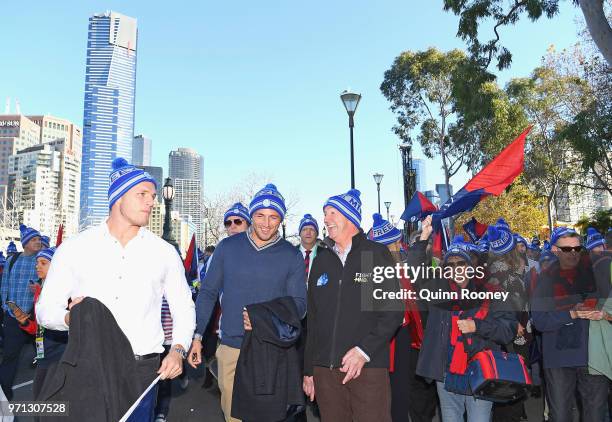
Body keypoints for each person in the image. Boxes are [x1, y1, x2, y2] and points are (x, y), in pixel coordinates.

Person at [37, 158, 196, 418]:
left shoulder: (164, 252)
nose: (151, 202)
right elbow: (45, 310)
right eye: (142, 194)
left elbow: (183, 306)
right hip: (89, 366)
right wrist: (73, 318)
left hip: (142, 369)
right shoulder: (74, 248)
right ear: (118, 198)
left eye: (154, 196)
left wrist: (178, 350)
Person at [190, 183, 307, 422]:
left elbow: (300, 306)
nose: (266, 222)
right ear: (252, 215)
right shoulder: (227, 248)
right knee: (234, 417)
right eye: (260, 215)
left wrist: (262, 318)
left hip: (272, 352)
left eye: (273, 217)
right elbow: (208, 293)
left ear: (281, 219)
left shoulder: (290, 254)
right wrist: (197, 336)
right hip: (232, 347)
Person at [303, 190, 403, 422]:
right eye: (325, 214)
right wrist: (309, 370)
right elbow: (313, 322)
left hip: (366, 368)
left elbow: (392, 313)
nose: (326, 219)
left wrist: (363, 351)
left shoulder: (373, 254)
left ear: (350, 218)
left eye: (332, 213)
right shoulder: (321, 261)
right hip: (325, 372)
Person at [414, 216, 516, 422]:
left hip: (480, 370)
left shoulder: (491, 291)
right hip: (446, 373)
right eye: (450, 264)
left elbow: (507, 330)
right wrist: (424, 236)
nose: (456, 268)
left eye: (461, 263)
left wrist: (476, 326)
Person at [531, 227, 609, 422]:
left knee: (595, 415)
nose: (573, 253)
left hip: (593, 357)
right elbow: (540, 321)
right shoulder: (544, 280)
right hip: (559, 359)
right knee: (561, 416)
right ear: (555, 251)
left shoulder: (597, 274)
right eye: (567, 249)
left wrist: (603, 314)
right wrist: (571, 313)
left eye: (577, 248)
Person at [370, 213, 437, 422]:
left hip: (404, 339)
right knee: (381, 397)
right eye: (389, 245)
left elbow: (416, 263)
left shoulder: (404, 269)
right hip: (377, 342)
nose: (394, 248)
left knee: (401, 394)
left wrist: (424, 235)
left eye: (394, 244)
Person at [0, 224, 42, 399]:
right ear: (25, 243)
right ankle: (4, 395)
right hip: (14, 319)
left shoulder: (42, 260)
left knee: (42, 355)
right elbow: (5, 285)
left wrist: (40, 287)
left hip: (36, 321)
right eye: (34, 240)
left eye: (39, 239)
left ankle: (44, 392)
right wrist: (5, 307)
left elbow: (50, 284)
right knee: (10, 357)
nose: (38, 242)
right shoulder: (12, 260)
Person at [31, 247, 68, 399]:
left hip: (59, 352)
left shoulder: (65, 294)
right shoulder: (41, 290)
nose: (37, 266)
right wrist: (25, 323)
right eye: (37, 262)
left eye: (43, 263)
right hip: (43, 350)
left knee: (45, 399)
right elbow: (39, 326)